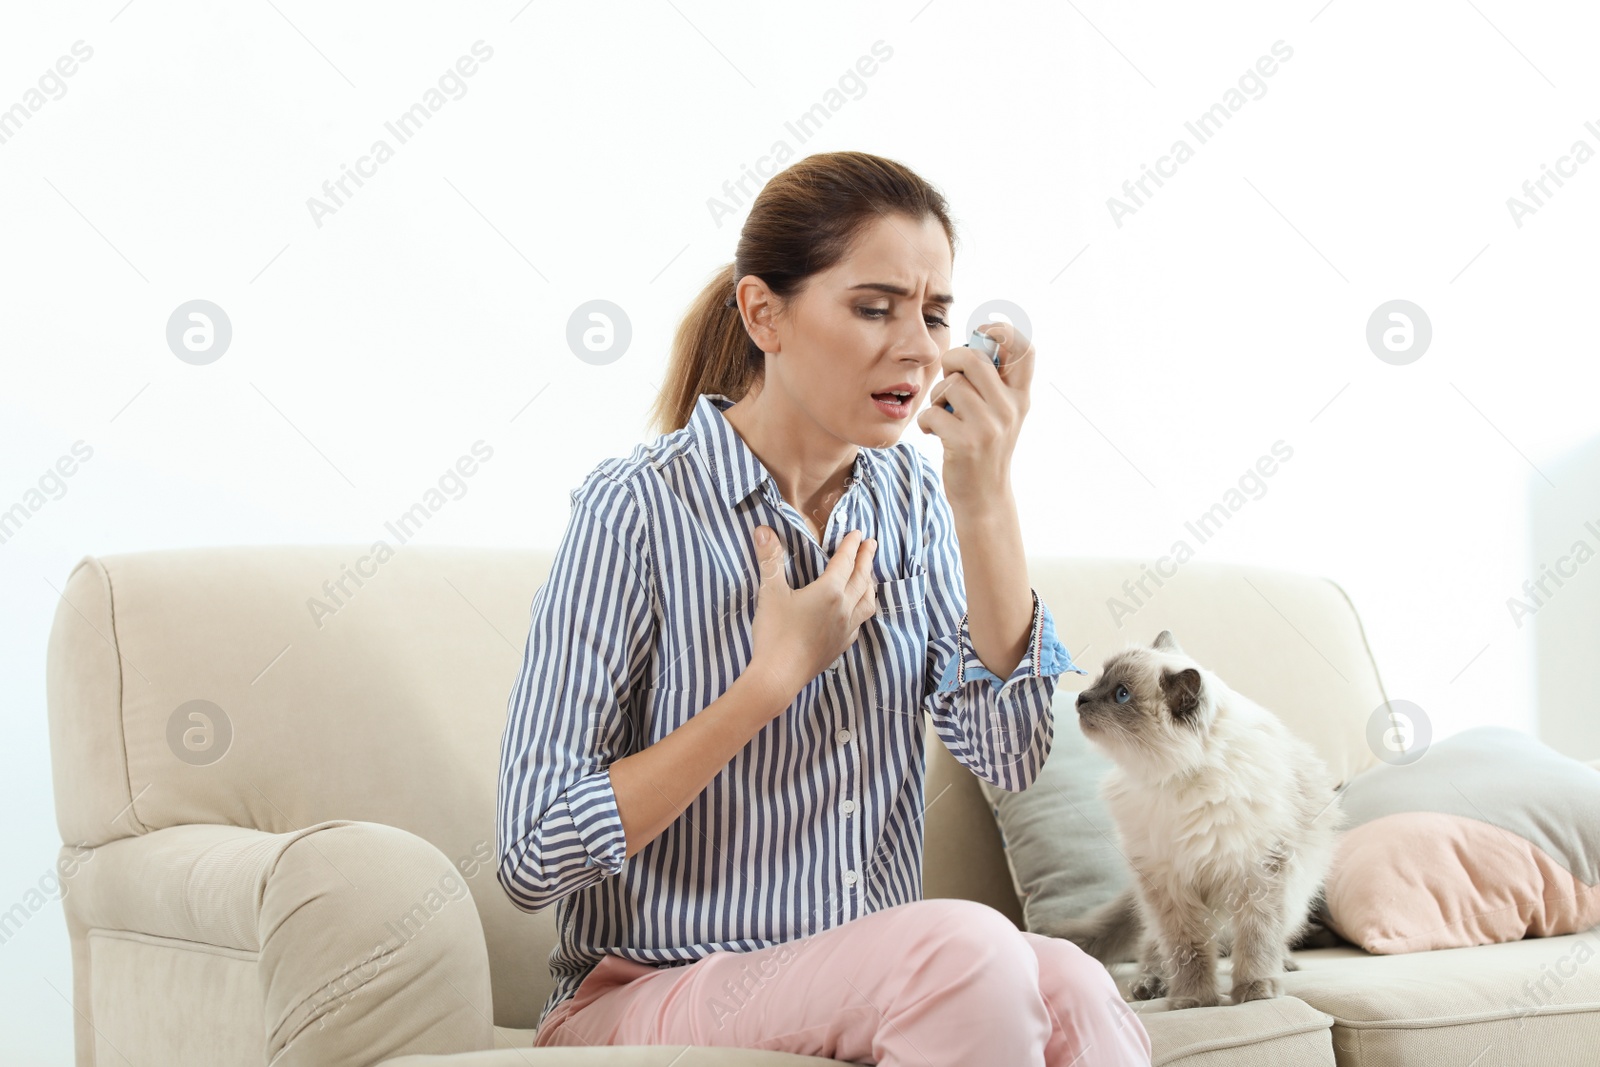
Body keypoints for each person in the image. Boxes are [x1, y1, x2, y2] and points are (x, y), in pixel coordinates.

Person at [496, 149, 1153, 1066]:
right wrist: (766, 685)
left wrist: (983, 497)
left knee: (1073, 981)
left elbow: (1008, 751)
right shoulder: (636, 510)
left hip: (861, 970)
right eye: (874, 307)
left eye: (933, 314)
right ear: (763, 311)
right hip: (645, 986)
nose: (919, 348)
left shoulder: (913, 502)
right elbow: (532, 852)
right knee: (962, 946)